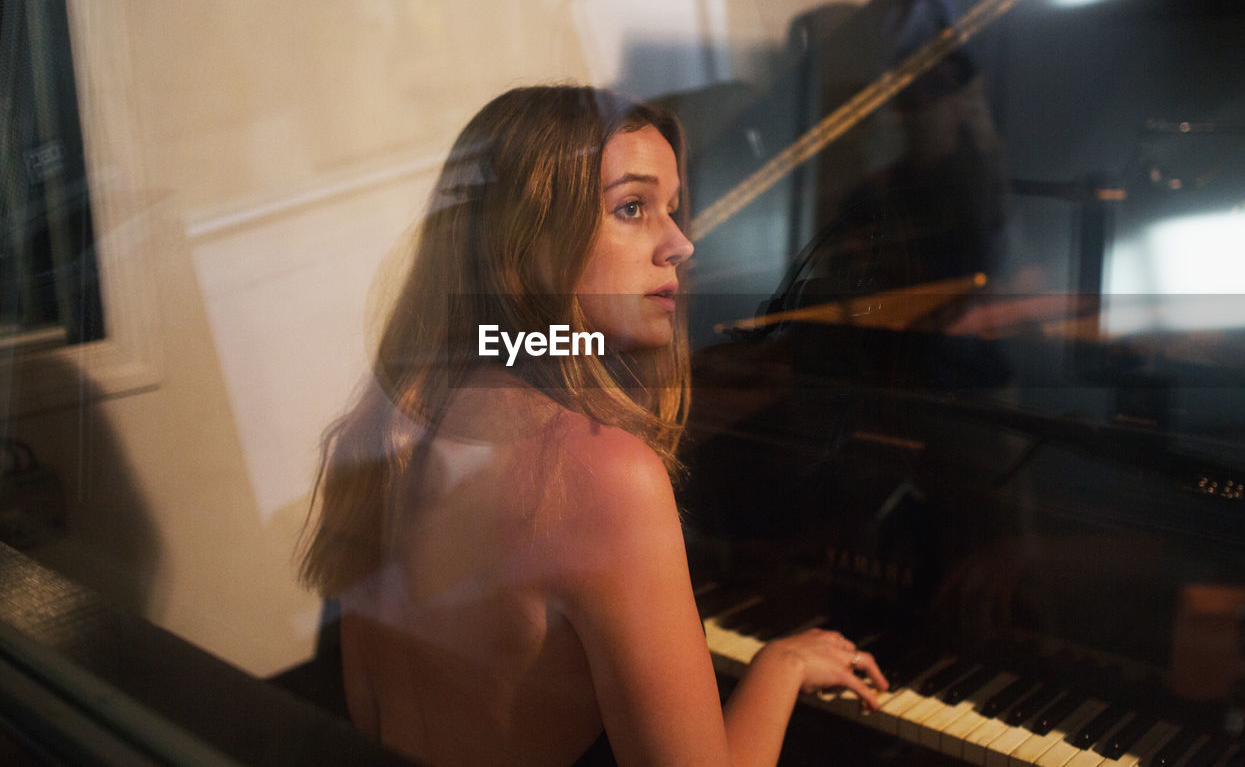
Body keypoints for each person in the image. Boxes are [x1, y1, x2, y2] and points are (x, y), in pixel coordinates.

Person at [298, 85, 887, 766]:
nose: (681, 243)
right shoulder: (607, 475)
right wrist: (778, 668)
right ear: (530, 242)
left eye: (673, 208)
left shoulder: (390, 430)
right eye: (632, 208)